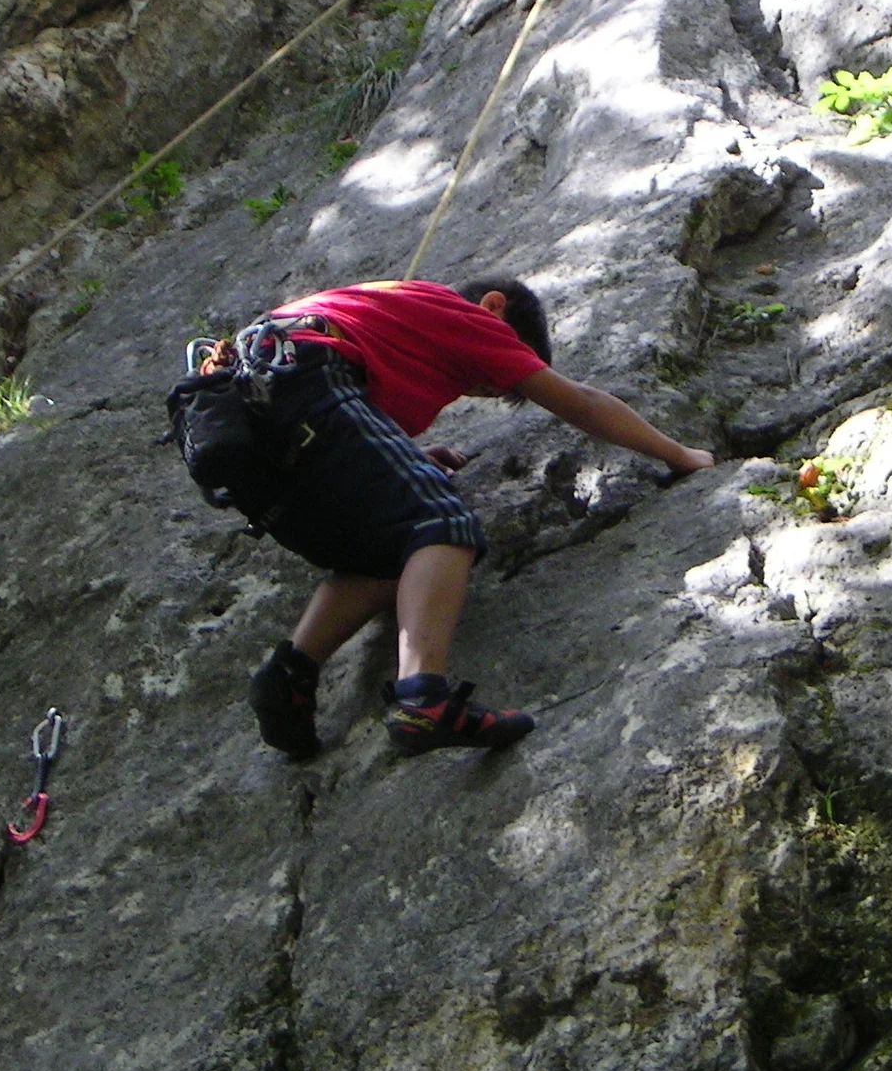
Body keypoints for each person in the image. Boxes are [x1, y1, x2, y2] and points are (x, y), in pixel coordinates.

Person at [238, 276, 714, 761]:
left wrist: (405, 456)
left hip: (241, 416)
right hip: (301, 376)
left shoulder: (390, 317)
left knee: (389, 552)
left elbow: (348, 439)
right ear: (493, 307)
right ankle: (423, 698)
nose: (479, 385)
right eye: (491, 375)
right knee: (439, 523)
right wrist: (678, 453)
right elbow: (583, 403)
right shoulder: (463, 314)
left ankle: (288, 681)